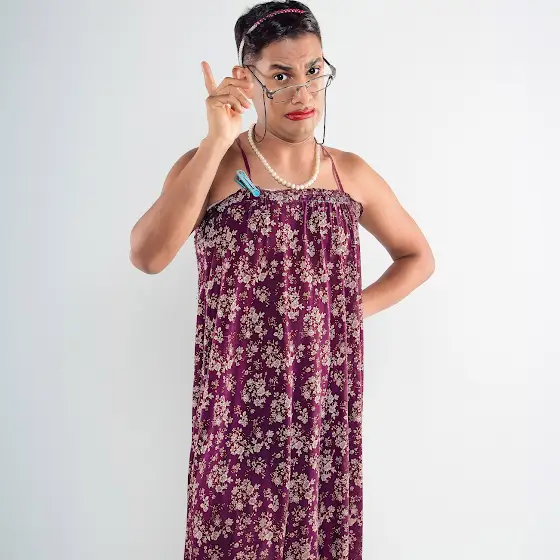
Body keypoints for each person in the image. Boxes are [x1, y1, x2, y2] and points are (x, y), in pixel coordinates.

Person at [130, 2, 435, 558]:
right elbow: (148, 256)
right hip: (237, 402)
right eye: (281, 74)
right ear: (248, 77)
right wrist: (216, 139)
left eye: (314, 70)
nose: (303, 91)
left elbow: (416, 257)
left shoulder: (349, 172)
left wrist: (347, 311)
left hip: (323, 401)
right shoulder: (215, 165)